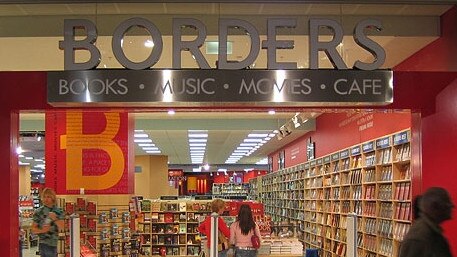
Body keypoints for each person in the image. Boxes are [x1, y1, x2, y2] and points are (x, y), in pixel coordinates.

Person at [399, 187, 454, 257]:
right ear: (435, 206)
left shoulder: (431, 231)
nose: (452, 206)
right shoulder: (418, 238)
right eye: (447, 202)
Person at [31, 188, 64, 257]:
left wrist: (55, 218)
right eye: (44, 197)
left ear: (53, 198)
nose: (46, 199)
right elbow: (33, 229)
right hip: (43, 243)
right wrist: (42, 230)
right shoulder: (38, 212)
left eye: (48, 197)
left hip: (54, 243)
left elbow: (62, 226)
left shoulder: (58, 211)